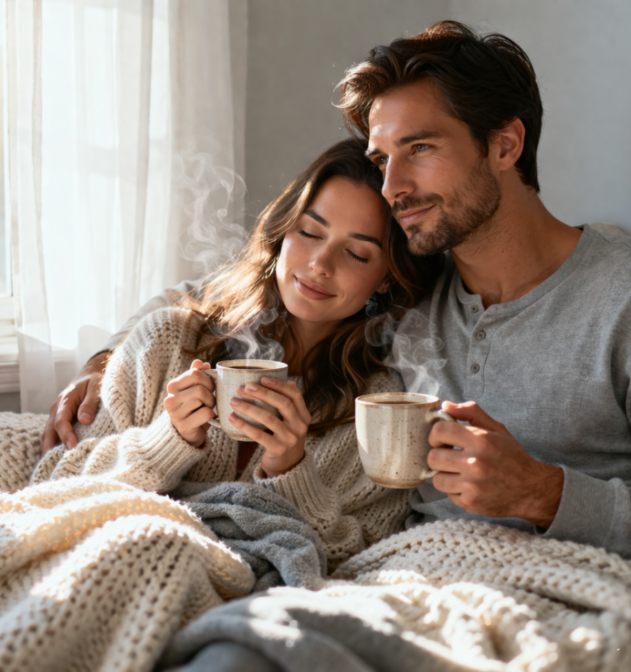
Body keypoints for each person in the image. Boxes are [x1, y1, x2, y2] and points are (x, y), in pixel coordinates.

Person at [46, 21, 631, 567]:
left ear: (505, 145)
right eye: (382, 158)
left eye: (419, 148)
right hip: (397, 586)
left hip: (556, 588)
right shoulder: (419, 293)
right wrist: (108, 362)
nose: (392, 187)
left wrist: (543, 492)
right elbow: (213, 298)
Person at [34, 139, 443, 568]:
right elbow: (54, 486)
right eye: (309, 232)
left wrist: (292, 472)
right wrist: (167, 441)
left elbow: (363, 556)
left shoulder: (377, 410)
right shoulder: (168, 340)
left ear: (385, 277)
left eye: (357, 253)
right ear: (284, 231)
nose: (321, 263)